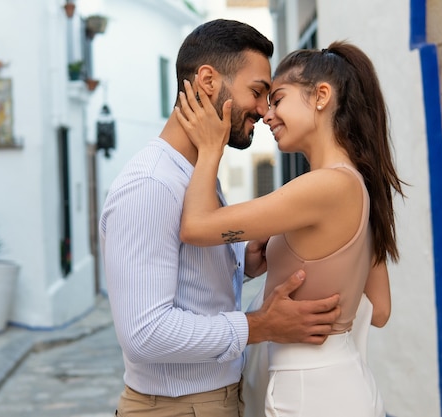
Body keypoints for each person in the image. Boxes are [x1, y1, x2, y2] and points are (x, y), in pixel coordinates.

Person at [99, 19, 342, 417]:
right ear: (208, 81)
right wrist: (261, 325)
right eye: (258, 92)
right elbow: (144, 333)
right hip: (177, 408)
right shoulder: (151, 185)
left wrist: (242, 262)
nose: (265, 111)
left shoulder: (192, 174)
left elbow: (188, 281)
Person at [175, 40, 405, 417]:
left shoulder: (325, 186)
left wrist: (210, 148)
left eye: (277, 98)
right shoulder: (355, 184)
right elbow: (379, 310)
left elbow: (196, 227)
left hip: (310, 393)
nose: (267, 114)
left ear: (321, 96)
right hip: (344, 384)